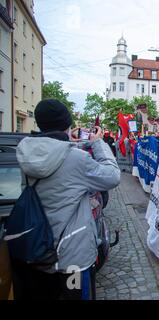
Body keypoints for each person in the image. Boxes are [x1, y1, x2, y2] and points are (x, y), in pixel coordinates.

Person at [13, 99, 121, 300]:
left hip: (38, 247)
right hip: (72, 257)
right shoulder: (75, 158)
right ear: (67, 125)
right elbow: (112, 176)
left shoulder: (26, 153)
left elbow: (55, 157)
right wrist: (98, 143)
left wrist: (66, 141)